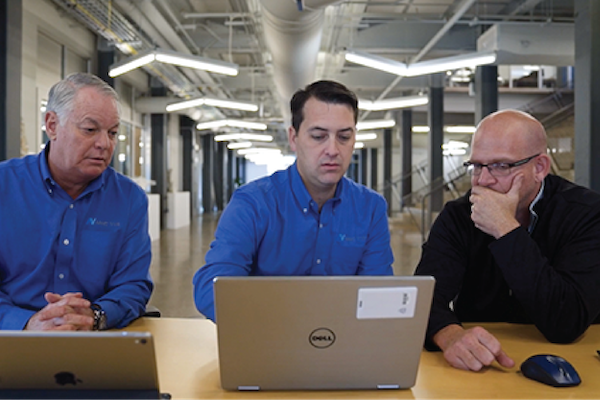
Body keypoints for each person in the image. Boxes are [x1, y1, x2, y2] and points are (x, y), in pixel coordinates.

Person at [415, 109, 600, 372]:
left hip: (574, 362)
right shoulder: (458, 215)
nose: (483, 180)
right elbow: (423, 298)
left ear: (539, 168)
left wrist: (505, 228)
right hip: (481, 367)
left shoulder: (587, 213)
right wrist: (450, 334)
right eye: (476, 165)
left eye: (501, 166)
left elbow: (566, 322)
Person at [193, 80, 394, 321]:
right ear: (294, 138)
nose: (333, 149)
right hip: (267, 340)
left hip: (342, 344)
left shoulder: (370, 208)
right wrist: (282, 321)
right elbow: (211, 288)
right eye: (319, 136)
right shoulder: (254, 204)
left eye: (343, 137)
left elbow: (379, 295)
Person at [0, 72, 153, 331]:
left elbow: (133, 284)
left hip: (94, 338)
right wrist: (26, 324)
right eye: (90, 130)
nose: (104, 144)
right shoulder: (5, 186)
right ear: (52, 125)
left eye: (113, 133)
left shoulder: (129, 199)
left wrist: (93, 317)